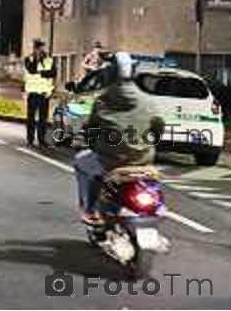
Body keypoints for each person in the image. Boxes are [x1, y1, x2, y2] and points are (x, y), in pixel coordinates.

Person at [74, 51, 164, 224]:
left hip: (111, 161)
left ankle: (90, 210)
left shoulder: (104, 100)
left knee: (81, 162)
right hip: (143, 159)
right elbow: (159, 127)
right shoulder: (148, 101)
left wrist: (91, 143)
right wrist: (149, 143)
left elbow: (91, 129)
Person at [24, 38, 56, 146]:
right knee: (31, 118)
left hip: (44, 93)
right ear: (34, 48)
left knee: (43, 119)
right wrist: (36, 60)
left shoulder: (49, 59)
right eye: (38, 48)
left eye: (41, 47)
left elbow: (53, 73)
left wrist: (40, 72)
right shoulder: (29, 59)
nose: (40, 50)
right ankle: (30, 139)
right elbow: (31, 70)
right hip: (32, 93)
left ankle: (42, 140)